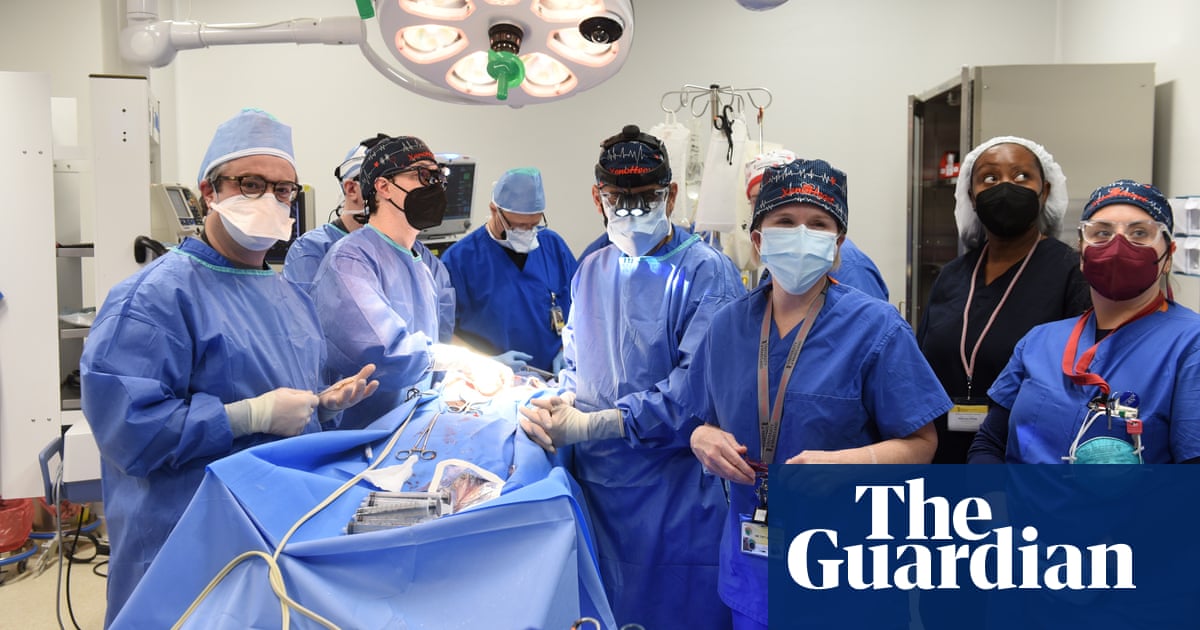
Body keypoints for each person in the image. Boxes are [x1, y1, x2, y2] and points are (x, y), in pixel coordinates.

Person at [79, 109, 378, 625]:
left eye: (283, 190)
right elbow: (129, 431)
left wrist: (322, 405)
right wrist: (249, 415)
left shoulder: (288, 296)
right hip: (186, 549)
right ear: (209, 192)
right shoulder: (152, 299)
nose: (270, 200)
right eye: (251, 184)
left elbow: (286, 401)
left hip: (276, 535)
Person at [685, 158, 947, 629]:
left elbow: (922, 443)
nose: (801, 234)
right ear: (759, 240)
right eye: (785, 221)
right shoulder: (726, 328)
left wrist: (852, 464)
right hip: (754, 570)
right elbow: (706, 420)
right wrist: (701, 438)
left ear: (837, 243)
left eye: (818, 224)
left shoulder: (876, 328)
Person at [521, 124, 746, 629]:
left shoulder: (706, 272)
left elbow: (693, 394)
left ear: (670, 195)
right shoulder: (592, 268)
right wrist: (559, 400)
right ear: (597, 197)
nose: (630, 211)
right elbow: (577, 362)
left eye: (645, 198)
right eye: (617, 199)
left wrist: (592, 425)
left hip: (674, 495)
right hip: (599, 487)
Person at [969, 179, 1200, 464]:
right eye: (1102, 232)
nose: (1118, 244)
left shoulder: (1190, 344)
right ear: (1082, 253)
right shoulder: (1039, 342)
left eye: (1139, 233)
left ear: (1168, 257)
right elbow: (989, 443)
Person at [310, 135, 508, 429]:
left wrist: (459, 378)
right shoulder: (350, 260)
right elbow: (381, 352)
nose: (435, 186)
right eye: (423, 176)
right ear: (383, 186)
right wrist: (463, 359)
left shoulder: (427, 264)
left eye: (438, 178)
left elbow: (438, 344)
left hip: (417, 423)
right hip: (362, 433)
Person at [917, 136, 1091, 464]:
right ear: (972, 196)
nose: (1005, 186)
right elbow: (921, 370)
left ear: (1045, 192)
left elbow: (1078, 382)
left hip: (1022, 460)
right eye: (990, 178)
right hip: (942, 454)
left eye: (1022, 176)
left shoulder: (1071, 274)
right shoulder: (952, 276)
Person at [285, 137, 457, 342]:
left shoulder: (421, 260)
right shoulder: (326, 253)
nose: (431, 187)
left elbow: (441, 332)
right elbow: (308, 334)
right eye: (422, 175)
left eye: (435, 177)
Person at [440, 167, 577, 373]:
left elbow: (583, 309)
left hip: (555, 378)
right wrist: (483, 363)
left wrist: (567, 349)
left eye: (533, 225)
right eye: (517, 225)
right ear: (494, 209)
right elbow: (442, 334)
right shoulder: (459, 260)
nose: (526, 232)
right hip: (490, 381)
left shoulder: (553, 246)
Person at [744, 149, 889, 300]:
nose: (764, 205)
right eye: (756, 199)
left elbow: (860, 310)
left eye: (818, 223)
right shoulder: (775, 262)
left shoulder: (848, 262)